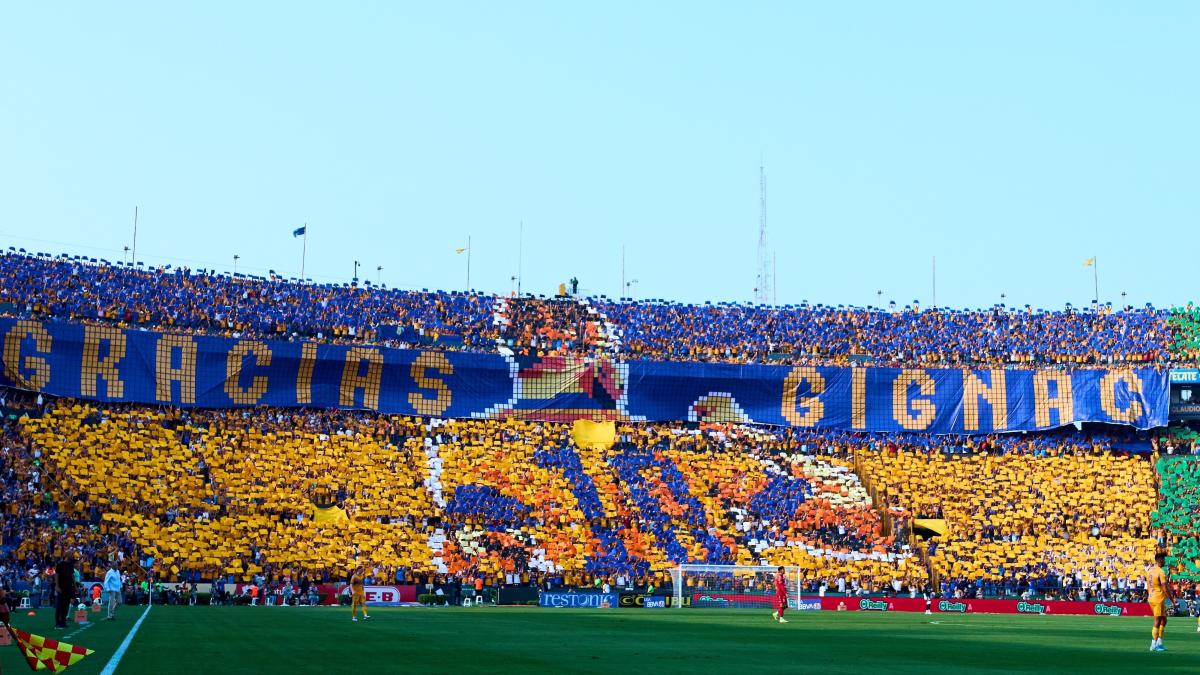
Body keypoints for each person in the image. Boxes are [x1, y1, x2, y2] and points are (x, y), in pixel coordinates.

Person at [1148, 552, 1176, 652]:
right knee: (1157, 621)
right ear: (1159, 560)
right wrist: (1172, 600)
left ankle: (1159, 643)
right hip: (1158, 598)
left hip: (1152, 597)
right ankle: (1153, 645)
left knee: (1164, 620)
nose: (1164, 561)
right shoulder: (1160, 572)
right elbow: (1165, 588)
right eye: (1163, 559)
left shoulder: (1151, 570)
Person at [54, 554, 75, 629]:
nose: (72, 556)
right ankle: (58, 623)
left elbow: (72, 576)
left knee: (66, 606)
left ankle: (63, 622)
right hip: (61, 588)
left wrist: (74, 585)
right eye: (71, 554)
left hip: (68, 588)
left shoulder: (71, 565)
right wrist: (57, 586)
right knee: (59, 606)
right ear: (67, 555)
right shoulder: (60, 565)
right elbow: (57, 575)